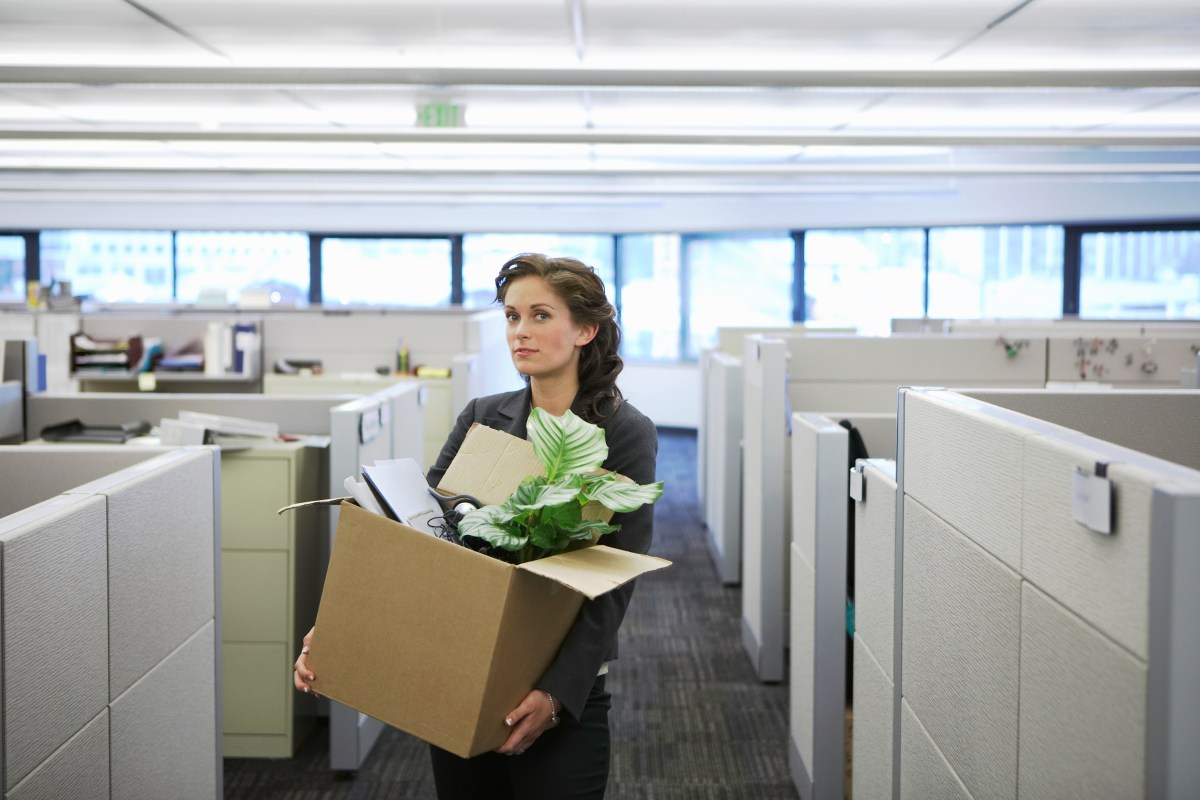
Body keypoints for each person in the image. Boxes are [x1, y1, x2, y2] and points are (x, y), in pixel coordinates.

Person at [294, 253, 658, 799]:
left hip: (561, 683)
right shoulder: (483, 417)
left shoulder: (623, 432)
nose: (521, 332)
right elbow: (419, 542)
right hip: (461, 668)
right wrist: (343, 626)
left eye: (540, 316)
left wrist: (556, 694)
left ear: (586, 329)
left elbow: (613, 579)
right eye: (512, 317)